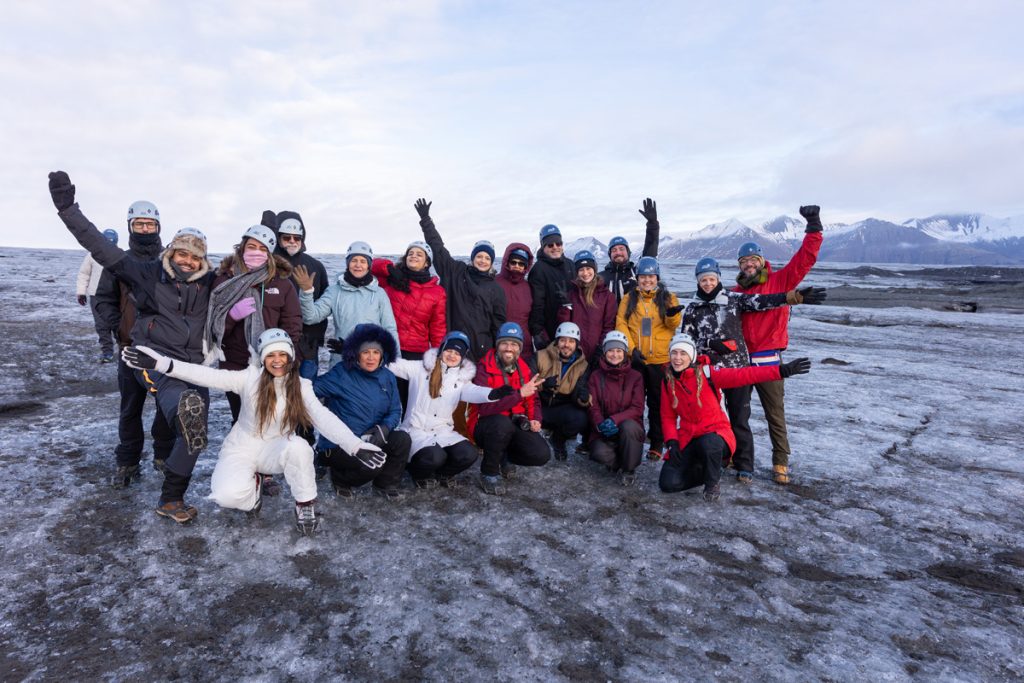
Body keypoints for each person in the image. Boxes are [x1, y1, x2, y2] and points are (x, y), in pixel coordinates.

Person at [49, 171, 215, 522]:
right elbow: (98, 247)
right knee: (174, 407)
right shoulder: (147, 274)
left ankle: (171, 499)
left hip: (195, 366)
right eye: (182, 253)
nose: (187, 261)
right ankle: (134, 458)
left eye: (194, 257)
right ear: (172, 251)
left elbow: (251, 271)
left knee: (194, 433)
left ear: (203, 261)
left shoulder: (211, 285)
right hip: (153, 361)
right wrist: (67, 209)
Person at [121, 330, 385, 535]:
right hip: (243, 445)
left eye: (282, 355)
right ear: (263, 358)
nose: (277, 361)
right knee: (227, 496)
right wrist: (164, 364)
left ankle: (305, 505)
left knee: (300, 447)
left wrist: (354, 445)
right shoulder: (248, 378)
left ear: (291, 357)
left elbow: (324, 418)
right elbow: (204, 376)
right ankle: (253, 492)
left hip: (277, 448)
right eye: (271, 355)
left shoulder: (302, 387)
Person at [681, 256, 826, 483]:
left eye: (711, 279)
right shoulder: (692, 309)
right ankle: (721, 458)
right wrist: (709, 345)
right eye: (703, 280)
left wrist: (793, 297)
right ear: (698, 282)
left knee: (740, 418)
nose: (707, 283)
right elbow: (687, 342)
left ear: (718, 278)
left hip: (738, 370)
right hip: (708, 374)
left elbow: (763, 301)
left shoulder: (734, 299)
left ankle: (744, 465)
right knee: (716, 419)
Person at [732, 205, 825, 484]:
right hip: (741, 362)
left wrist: (814, 227)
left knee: (775, 415)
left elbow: (804, 260)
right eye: (743, 262)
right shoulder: (735, 293)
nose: (748, 265)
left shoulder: (780, 281)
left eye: (752, 260)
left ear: (761, 261)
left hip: (769, 360)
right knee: (738, 414)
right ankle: (738, 459)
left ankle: (780, 462)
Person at [659, 335, 811, 501]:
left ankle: (712, 484)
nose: (678, 358)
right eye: (674, 353)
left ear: (692, 356)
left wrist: (781, 370)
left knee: (709, 443)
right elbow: (668, 416)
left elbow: (744, 374)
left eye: (683, 353)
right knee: (668, 484)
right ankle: (707, 470)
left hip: (716, 434)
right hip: (688, 436)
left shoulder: (707, 373)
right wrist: (672, 442)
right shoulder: (668, 380)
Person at [93, 201, 175, 486]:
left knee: (166, 406)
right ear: (130, 226)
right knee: (130, 408)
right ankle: (127, 461)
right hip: (129, 350)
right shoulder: (119, 261)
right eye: (139, 224)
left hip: (164, 350)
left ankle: (163, 455)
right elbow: (102, 299)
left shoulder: (170, 260)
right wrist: (119, 326)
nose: (144, 229)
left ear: (158, 227)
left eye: (149, 224)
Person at [387, 331, 510, 488]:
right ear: (441, 350)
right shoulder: (421, 368)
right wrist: (365, 351)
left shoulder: (461, 380)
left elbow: (475, 391)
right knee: (435, 457)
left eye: (457, 353)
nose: (452, 355)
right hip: (416, 429)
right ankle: (417, 473)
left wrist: (493, 393)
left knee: (469, 454)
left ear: (463, 357)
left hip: (442, 431)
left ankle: (442, 474)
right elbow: (394, 365)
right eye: (449, 350)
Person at [207, 224, 303, 423]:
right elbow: (212, 330)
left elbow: (292, 323)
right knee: (241, 419)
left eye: (262, 249)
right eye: (252, 247)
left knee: (272, 418)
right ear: (242, 248)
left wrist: (281, 356)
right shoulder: (223, 281)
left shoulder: (282, 284)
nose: (256, 252)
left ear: (269, 254)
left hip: (270, 365)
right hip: (234, 364)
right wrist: (232, 315)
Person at [306, 324, 411, 499]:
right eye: (365, 352)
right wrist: (309, 363)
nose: (371, 357)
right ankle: (341, 479)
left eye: (375, 352)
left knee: (402, 440)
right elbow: (309, 391)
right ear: (356, 354)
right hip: (340, 444)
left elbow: (395, 409)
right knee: (372, 464)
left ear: (382, 355)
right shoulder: (342, 373)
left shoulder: (387, 377)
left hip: (371, 437)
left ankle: (384, 484)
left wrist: (384, 428)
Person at [414, 199, 506, 362]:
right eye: (479, 256)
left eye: (487, 258)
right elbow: (438, 248)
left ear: (491, 262)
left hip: (481, 351)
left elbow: (498, 324)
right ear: (472, 258)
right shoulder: (456, 272)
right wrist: (426, 221)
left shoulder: (496, 289)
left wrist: (497, 353)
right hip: (452, 347)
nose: (482, 260)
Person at [614, 256, 682, 460]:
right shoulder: (630, 298)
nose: (647, 281)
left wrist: (672, 315)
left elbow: (673, 326)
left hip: (660, 360)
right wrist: (631, 350)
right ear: (638, 278)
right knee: (633, 402)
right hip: (636, 360)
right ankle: (634, 438)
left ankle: (657, 442)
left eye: (651, 276)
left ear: (657, 277)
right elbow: (621, 323)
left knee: (658, 403)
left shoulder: (668, 297)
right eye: (643, 277)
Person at [467, 322, 546, 495]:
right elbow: (484, 408)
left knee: (541, 453)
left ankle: (504, 457)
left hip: (513, 423)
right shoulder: (484, 368)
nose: (508, 348)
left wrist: (535, 420)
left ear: (519, 348)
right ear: (497, 345)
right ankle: (488, 473)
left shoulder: (523, 369)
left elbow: (534, 400)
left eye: (514, 344)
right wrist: (518, 395)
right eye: (504, 343)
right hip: (485, 424)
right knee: (501, 424)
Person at [293, 241, 398, 367]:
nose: (358, 265)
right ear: (348, 263)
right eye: (354, 260)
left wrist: (395, 362)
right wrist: (306, 292)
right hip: (341, 358)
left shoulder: (379, 293)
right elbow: (311, 317)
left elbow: (390, 328)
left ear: (369, 265)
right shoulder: (334, 291)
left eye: (363, 261)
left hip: (372, 361)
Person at [371, 240, 447, 409]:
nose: (414, 256)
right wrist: (390, 269)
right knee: (381, 392)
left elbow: (438, 327)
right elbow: (371, 265)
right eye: (410, 253)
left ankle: (406, 433)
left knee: (408, 397)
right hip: (387, 345)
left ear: (427, 263)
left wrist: (437, 357)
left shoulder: (437, 292)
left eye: (419, 254)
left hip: (415, 352)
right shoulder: (391, 280)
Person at [272, 211, 330, 374]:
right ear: (278, 237)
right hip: (274, 345)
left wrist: (317, 338)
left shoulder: (316, 266)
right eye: (286, 237)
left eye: (296, 237)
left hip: (307, 346)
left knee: (306, 392)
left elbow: (324, 305)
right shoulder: (267, 263)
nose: (292, 241)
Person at [586, 331, 646, 486]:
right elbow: (593, 407)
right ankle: (619, 460)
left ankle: (629, 469)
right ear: (605, 352)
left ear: (625, 353)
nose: (615, 354)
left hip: (628, 428)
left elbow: (637, 408)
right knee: (597, 453)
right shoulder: (595, 376)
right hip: (605, 430)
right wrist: (600, 424)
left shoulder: (635, 376)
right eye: (611, 350)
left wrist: (615, 420)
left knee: (628, 426)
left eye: (619, 351)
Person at [535, 322, 591, 460]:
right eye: (563, 340)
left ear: (577, 344)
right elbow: (524, 383)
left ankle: (558, 440)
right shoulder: (539, 356)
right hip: (538, 405)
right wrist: (543, 385)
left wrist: (583, 398)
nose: (566, 344)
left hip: (560, 407)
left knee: (581, 418)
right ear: (557, 341)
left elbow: (580, 390)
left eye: (571, 341)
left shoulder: (583, 366)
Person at [557, 250, 617, 360]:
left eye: (588, 268)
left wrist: (601, 348)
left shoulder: (607, 296)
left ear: (594, 269)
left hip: (597, 352)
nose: (585, 273)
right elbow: (565, 325)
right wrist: (565, 306)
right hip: (575, 351)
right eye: (581, 270)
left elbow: (609, 325)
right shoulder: (571, 294)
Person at [600, 198, 661, 303]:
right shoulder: (600, 277)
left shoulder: (637, 272)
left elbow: (650, 252)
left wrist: (652, 225)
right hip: (609, 319)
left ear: (628, 252)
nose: (618, 252)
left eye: (621, 249)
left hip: (634, 319)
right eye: (614, 250)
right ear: (610, 255)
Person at [528, 224, 575, 353]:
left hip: (573, 326)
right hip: (550, 327)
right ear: (543, 247)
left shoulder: (571, 265)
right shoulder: (538, 270)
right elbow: (537, 304)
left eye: (558, 243)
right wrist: (537, 331)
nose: (555, 247)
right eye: (550, 244)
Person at [75, 228, 120, 362]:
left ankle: (124, 349)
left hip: (116, 297)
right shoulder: (92, 255)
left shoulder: (121, 255)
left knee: (119, 325)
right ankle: (107, 352)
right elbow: (84, 274)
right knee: (101, 325)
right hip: (96, 296)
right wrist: (81, 292)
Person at [495, 243, 534, 360]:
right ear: (506, 262)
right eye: (513, 262)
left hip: (523, 346)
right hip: (500, 344)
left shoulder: (528, 287)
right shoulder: (495, 283)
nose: (517, 266)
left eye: (521, 264)